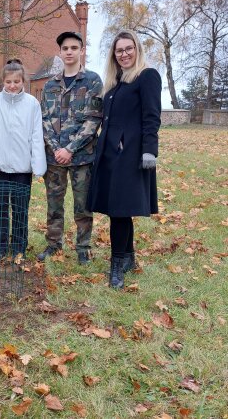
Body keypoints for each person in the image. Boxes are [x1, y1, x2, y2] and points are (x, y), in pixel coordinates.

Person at [87, 30, 161, 289]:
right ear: (114, 55)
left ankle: (116, 264)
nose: (124, 54)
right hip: (108, 154)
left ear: (137, 50)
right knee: (118, 210)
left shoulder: (147, 76)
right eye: (119, 50)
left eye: (129, 49)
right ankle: (128, 257)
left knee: (119, 209)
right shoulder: (115, 84)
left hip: (129, 154)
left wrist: (149, 150)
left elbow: (152, 116)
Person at [38, 31, 103, 265]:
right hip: (54, 159)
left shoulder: (93, 81)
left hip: (82, 158)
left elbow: (93, 121)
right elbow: (43, 119)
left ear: (81, 50)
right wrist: (57, 149)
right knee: (54, 204)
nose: (69, 52)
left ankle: (83, 247)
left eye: (74, 48)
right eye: (65, 48)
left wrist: (70, 149)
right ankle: (54, 244)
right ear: (60, 52)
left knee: (82, 206)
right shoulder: (50, 85)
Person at [0, 59, 47, 258]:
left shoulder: (32, 104)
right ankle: (1, 245)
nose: (12, 85)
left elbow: (37, 134)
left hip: (22, 168)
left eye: (16, 81)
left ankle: (19, 246)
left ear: (23, 81)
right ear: (3, 81)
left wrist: (37, 165)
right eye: (8, 81)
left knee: (20, 209)